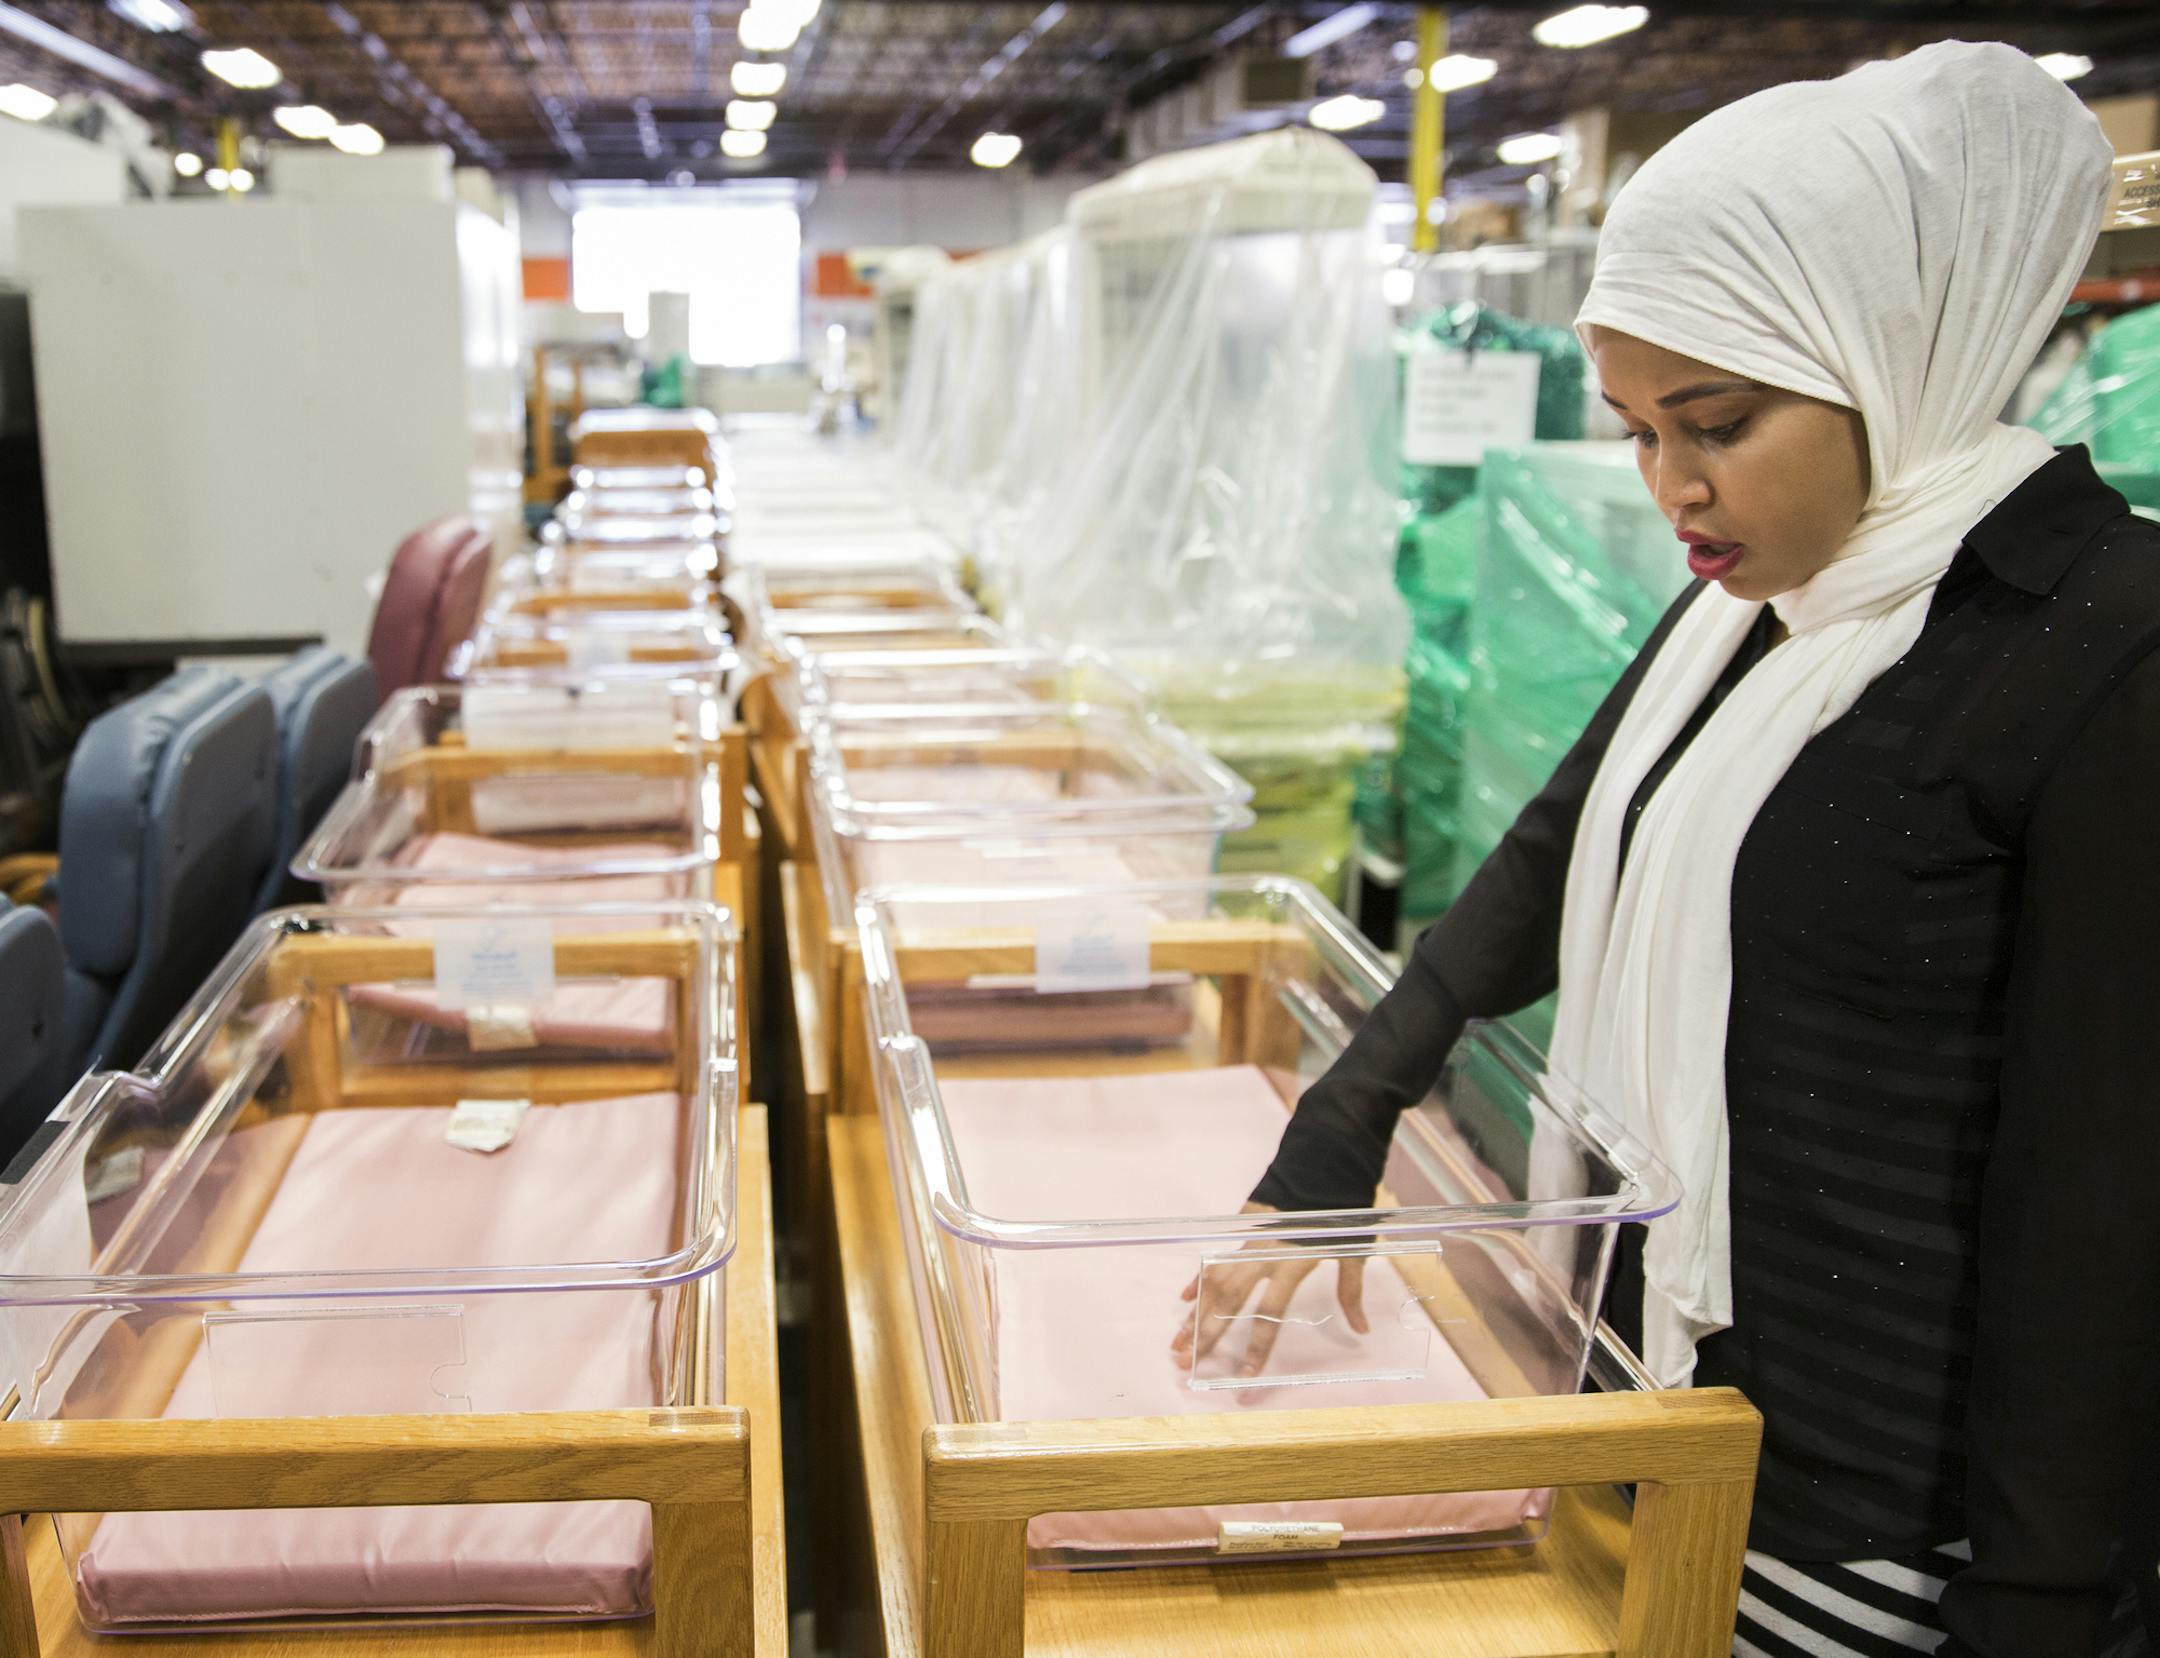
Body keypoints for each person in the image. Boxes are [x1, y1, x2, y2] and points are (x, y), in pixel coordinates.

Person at [1176, 40, 2160, 1658]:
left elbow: (2106, 1187)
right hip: (1654, 1407)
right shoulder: (1762, 602)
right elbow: (1558, 851)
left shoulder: (2097, 642)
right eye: (1638, 430)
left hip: (1878, 1521)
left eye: (1716, 422)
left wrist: (2039, 1599)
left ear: (1890, 353)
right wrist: (1338, 1131)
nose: (1671, 492)